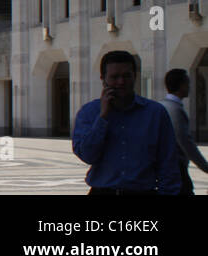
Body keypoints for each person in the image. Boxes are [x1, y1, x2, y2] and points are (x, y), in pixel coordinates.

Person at [72, 50, 180, 194]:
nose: (121, 82)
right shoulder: (89, 113)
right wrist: (103, 118)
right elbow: (87, 155)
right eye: (114, 77)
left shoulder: (155, 113)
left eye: (126, 76)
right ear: (103, 79)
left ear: (135, 76)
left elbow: (168, 163)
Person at [160, 68, 208, 196]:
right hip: (176, 168)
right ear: (181, 85)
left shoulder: (163, 106)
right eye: (188, 84)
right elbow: (186, 144)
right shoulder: (175, 110)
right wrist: (205, 167)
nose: (190, 87)